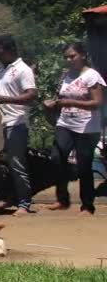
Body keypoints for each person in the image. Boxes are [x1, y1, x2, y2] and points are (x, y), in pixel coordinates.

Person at [44, 42, 105, 216]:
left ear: (83, 55)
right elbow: (61, 97)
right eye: (67, 57)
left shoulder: (92, 76)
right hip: (65, 123)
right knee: (57, 157)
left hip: (86, 127)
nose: (69, 60)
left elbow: (97, 103)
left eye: (73, 56)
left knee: (84, 165)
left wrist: (70, 102)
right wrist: (52, 104)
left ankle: (87, 206)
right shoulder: (66, 75)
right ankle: (62, 198)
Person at [0, 35, 37, 216]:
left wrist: (5, 99)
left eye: (0, 51)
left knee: (17, 163)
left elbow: (31, 95)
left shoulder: (23, 70)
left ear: (8, 50)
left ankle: (24, 202)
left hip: (16, 122)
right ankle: (8, 196)